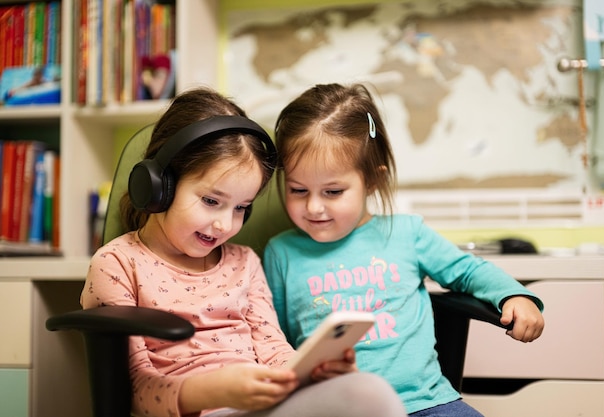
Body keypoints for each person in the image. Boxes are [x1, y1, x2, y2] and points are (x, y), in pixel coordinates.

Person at [81, 86, 407, 417]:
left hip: (257, 408)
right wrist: (219, 390)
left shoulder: (244, 262)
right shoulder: (117, 264)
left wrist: (311, 370)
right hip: (195, 409)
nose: (225, 224)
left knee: (365, 391)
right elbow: (131, 389)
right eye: (211, 201)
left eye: (241, 208)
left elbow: (272, 349)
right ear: (159, 186)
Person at [263, 83, 545, 417]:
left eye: (333, 191)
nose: (314, 207)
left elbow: (468, 271)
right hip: (336, 408)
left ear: (372, 181)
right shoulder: (280, 253)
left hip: (427, 403)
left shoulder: (407, 234)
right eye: (298, 190)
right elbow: (272, 340)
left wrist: (514, 296)